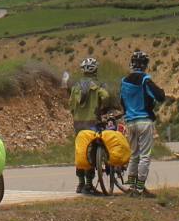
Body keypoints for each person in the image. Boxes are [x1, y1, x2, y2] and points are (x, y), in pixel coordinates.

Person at [118, 49, 165, 197]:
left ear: (132, 64)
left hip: (130, 122)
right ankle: (140, 188)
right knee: (145, 156)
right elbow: (159, 96)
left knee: (134, 155)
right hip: (144, 120)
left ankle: (131, 187)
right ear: (145, 65)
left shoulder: (124, 81)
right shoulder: (145, 80)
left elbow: (122, 101)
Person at [68, 57, 111, 196]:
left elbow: (70, 105)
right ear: (95, 70)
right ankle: (88, 184)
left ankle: (80, 183)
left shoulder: (75, 86)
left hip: (78, 124)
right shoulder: (97, 85)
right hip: (93, 123)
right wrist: (102, 108)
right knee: (91, 152)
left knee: (80, 152)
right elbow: (106, 97)